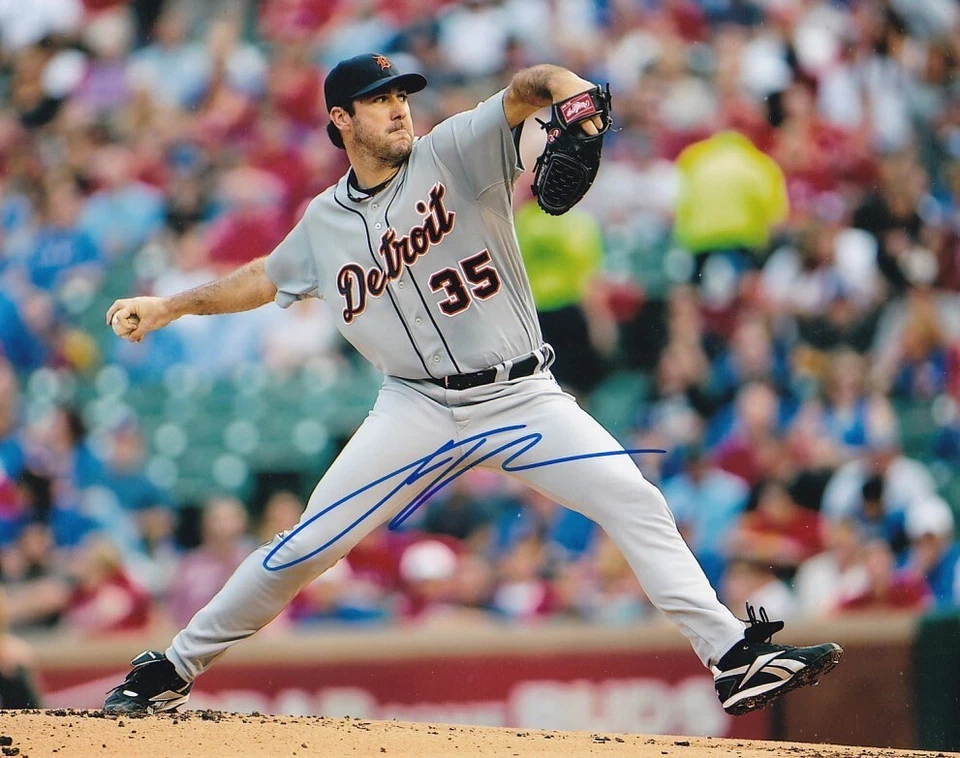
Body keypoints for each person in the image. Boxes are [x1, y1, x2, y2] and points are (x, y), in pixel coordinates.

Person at [102, 53, 842, 717]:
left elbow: (528, 89)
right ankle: (168, 667)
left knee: (634, 499)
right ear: (341, 119)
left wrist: (573, 94)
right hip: (415, 407)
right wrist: (170, 305)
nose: (399, 107)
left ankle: (732, 658)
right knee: (307, 548)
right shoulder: (324, 222)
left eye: (403, 96)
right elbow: (263, 276)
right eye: (379, 98)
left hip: (521, 395)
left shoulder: (454, 149)